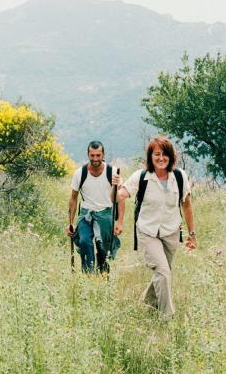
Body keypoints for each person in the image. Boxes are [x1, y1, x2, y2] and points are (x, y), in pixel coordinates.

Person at [113, 136, 196, 318]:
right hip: (148, 232)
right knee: (164, 272)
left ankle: (147, 301)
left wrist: (192, 234)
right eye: (157, 154)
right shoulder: (141, 177)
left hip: (171, 232)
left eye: (165, 154)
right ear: (151, 156)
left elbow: (187, 205)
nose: (161, 158)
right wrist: (115, 186)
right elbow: (120, 196)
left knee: (163, 271)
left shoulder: (180, 177)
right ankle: (167, 316)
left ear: (171, 157)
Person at [66, 141, 123, 274]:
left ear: (103, 154)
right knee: (85, 241)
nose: (95, 159)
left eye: (98, 155)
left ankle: (103, 274)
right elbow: (73, 199)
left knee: (102, 246)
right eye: (92, 155)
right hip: (86, 214)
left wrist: (119, 222)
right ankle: (88, 274)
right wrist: (70, 223)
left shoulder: (112, 172)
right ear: (88, 155)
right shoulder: (80, 173)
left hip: (106, 213)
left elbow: (119, 199)